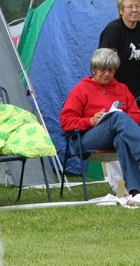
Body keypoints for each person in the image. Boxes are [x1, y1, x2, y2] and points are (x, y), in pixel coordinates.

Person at [60, 48, 140, 200]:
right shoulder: (81, 89)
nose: (107, 74)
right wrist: (90, 120)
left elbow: (136, 115)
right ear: (93, 69)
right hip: (86, 140)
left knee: (122, 139)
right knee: (117, 117)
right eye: (103, 70)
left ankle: (135, 191)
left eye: (111, 70)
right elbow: (66, 122)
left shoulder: (121, 88)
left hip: (114, 138)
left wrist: (123, 119)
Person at [99, 0, 140, 99]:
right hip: (117, 91)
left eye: (137, 6)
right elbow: (104, 64)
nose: (135, 10)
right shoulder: (113, 30)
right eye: (130, 7)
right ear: (121, 11)